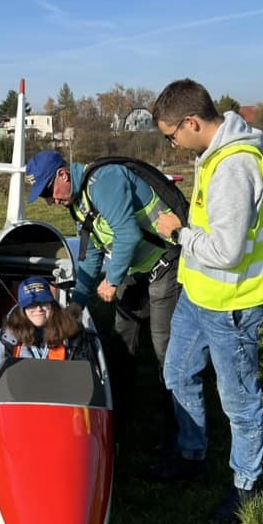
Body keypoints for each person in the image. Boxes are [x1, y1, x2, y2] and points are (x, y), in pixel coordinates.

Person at [151, 78, 263, 524]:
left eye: (172, 136)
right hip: (199, 294)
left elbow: (226, 252)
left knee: (239, 401)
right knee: (178, 372)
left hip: (232, 303)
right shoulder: (213, 155)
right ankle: (192, 456)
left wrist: (178, 233)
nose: (172, 145)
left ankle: (246, 485)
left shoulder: (233, 166)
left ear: (191, 122)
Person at [25, 149, 181, 436]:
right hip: (136, 269)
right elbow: (91, 256)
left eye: (48, 191)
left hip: (165, 264)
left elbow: (128, 235)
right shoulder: (78, 205)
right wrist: (76, 306)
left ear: (63, 174)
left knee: (165, 348)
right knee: (122, 337)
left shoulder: (104, 181)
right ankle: (118, 416)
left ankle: (178, 431)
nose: (50, 201)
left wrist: (112, 280)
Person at [0, 276, 83, 384]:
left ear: (51, 305)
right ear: (22, 309)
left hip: (60, 394)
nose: (38, 308)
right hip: (17, 396)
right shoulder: (6, 337)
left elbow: (81, 376)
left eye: (43, 302)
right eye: (31, 304)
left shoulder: (71, 333)